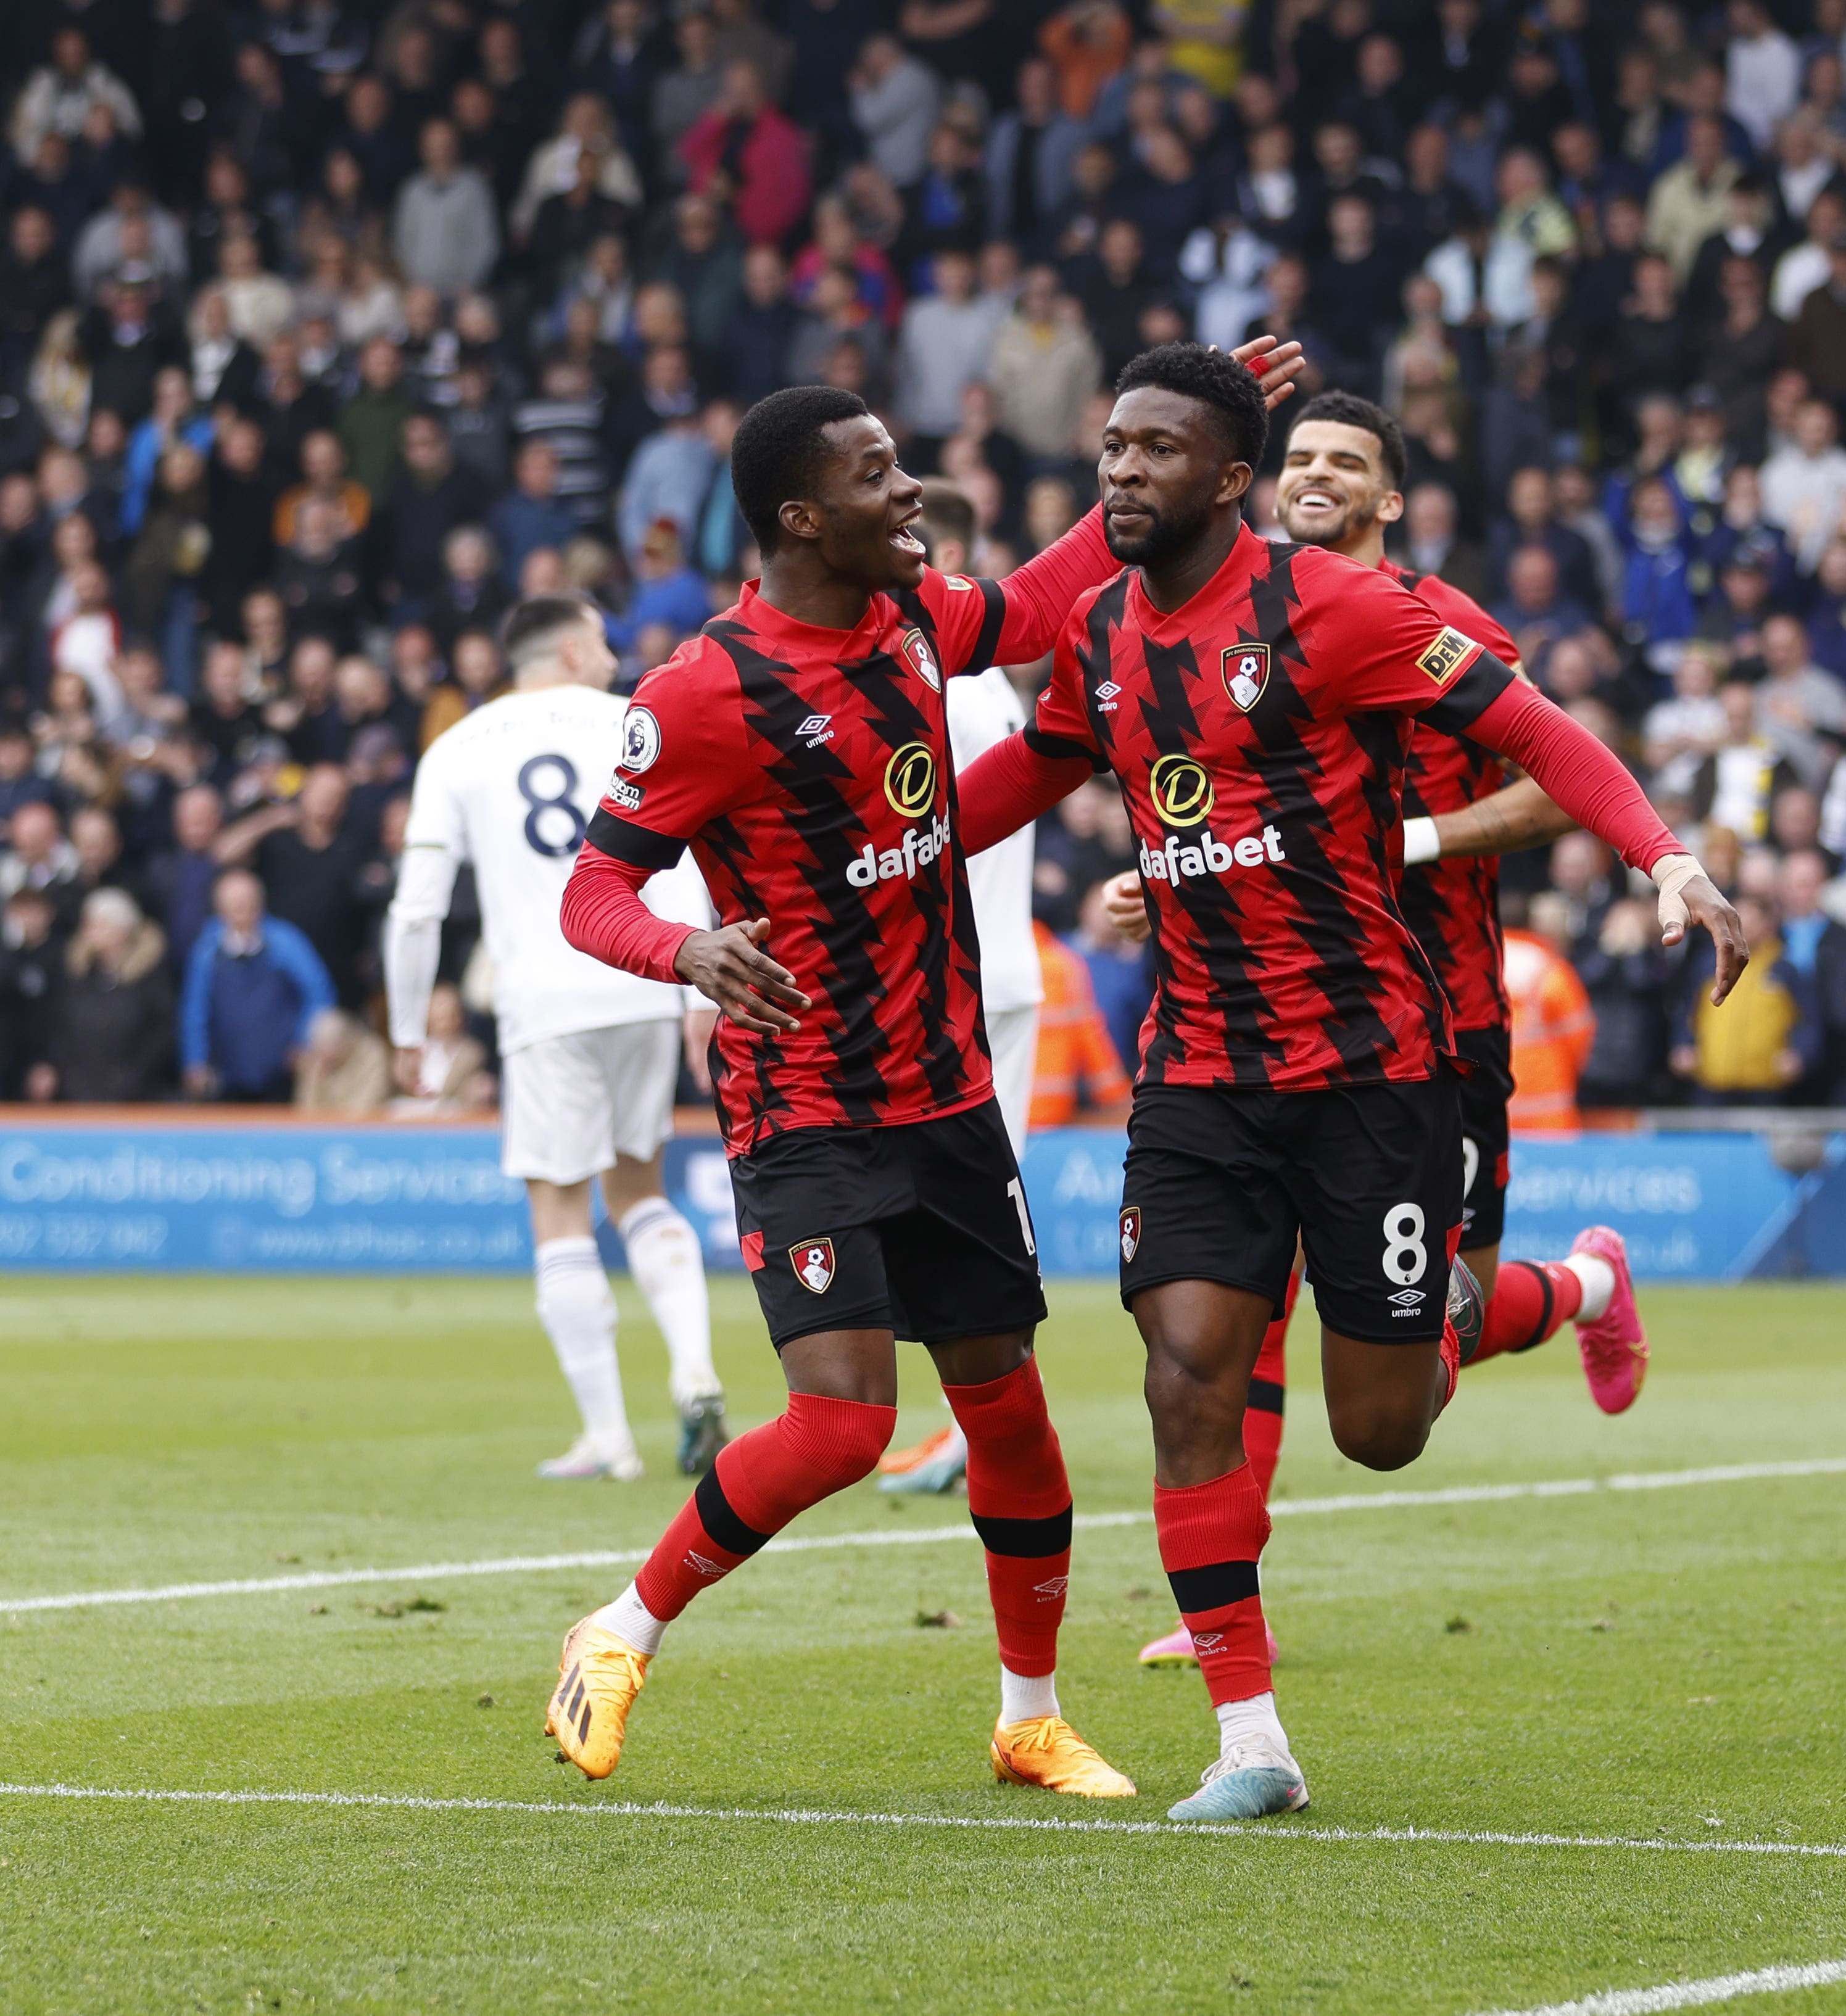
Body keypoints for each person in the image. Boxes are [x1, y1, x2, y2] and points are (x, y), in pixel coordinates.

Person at [953, 342, 1744, 1820]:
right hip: (1197, 1068)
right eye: (1110, 447)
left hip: (1374, 1068)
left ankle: (1571, 1285)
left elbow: (1536, 733)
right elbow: (1032, 770)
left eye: (1156, 450)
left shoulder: (1338, 609)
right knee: (1185, 1370)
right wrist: (885, 856)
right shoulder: (1106, 627)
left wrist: (1669, 859)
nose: (1121, 470)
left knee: (1379, 1419)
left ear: (1232, 480)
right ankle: (1251, 1739)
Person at [545, 341, 1303, 1795]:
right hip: (806, 1103)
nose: (910, 495)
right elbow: (595, 891)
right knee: (843, 1420)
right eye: (877, 478)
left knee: (1008, 1406)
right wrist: (684, 951)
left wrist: (1177, 448)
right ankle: (625, 1623)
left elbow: (1024, 607)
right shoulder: (702, 691)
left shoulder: (906, 612)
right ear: (797, 520)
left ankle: (1028, 1712)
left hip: (947, 1094)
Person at [1098, 389, 1655, 1674]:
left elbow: (1549, 781)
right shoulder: (1215, 623)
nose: (1315, 477)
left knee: (1414, 1348)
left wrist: (1410, 836)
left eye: (1346, 462)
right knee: (1233, 1326)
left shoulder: (1440, 623)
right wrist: (1164, 870)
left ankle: (1583, 1286)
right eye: (1298, 458)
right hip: (1248, 1044)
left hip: (1436, 1025)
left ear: (1388, 499)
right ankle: (1222, 1600)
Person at [383, 591, 728, 1485]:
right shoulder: (636, 721)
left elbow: (418, 909)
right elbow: (689, 847)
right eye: (602, 643)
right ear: (570, 652)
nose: (614, 655)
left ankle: (609, 1438)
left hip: (543, 1001)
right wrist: (698, 984)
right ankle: (694, 1371)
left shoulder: (457, 747)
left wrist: (410, 1026)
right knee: (641, 1189)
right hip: (649, 977)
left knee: (560, 1209)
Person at [869, 478, 1055, 1500]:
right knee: (950, 1209)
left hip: (972, 979)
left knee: (974, 1211)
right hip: (964, 976)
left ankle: (974, 1430)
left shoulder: (957, 685)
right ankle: (968, 1422)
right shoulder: (970, 686)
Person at [181, 869, 336, 1102]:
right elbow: (195, 1009)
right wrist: (195, 1061)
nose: (241, 911)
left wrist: (303, 1040)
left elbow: (319, 992)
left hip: (282, 1069)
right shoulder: (207, 950)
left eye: (247, 903)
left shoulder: (285, 940)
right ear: (220, 908)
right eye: (233, 905)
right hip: (228, 1070)